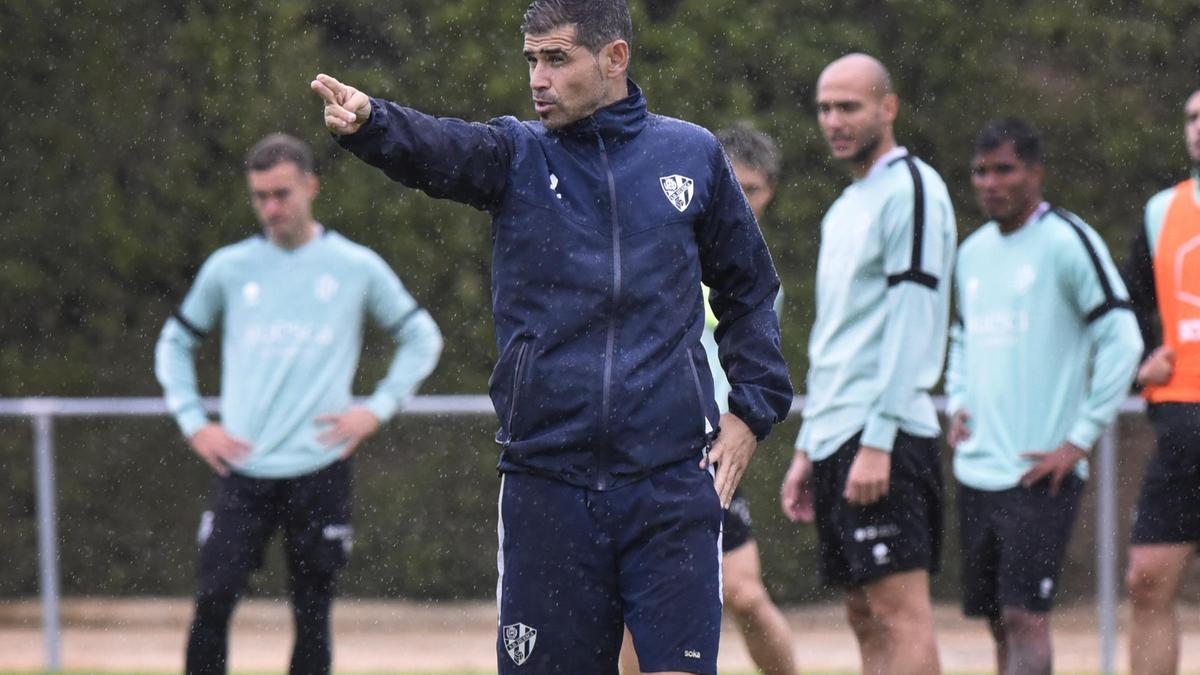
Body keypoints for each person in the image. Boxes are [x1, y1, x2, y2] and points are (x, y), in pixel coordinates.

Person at [311, 1, 793, 673]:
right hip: (548, 482)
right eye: (532, 59)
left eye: (557, 58)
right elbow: (442, 148)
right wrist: (373, 123)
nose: (538, 77)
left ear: (614, 58)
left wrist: (752, 411)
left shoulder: (692, 155)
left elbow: (750, 292)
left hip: (670, 480)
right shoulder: (516, 155)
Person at [154, 133, 443, 675]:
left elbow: (422, 338)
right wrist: (195, 423)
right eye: (260, 195)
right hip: (242, 467)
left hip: (320, 468)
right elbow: (174, 344)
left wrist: (375, 409)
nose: (270, 207)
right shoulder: (228, 269)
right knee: (213, 601)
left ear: (311, 187)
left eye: (281, 193)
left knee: (313, 612)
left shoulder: (355, 267)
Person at [779, 53, 956, 675]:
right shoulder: (844, 207)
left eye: (849, 106)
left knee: (899, 611)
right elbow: (837, 339)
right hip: (837, 434)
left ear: (888, 108)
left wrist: (878, 441)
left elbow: (914, 320)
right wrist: (808, 445)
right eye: (825, 107)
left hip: (886, 434)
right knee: (861, 612)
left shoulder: (913, 189)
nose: (835, 120)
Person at [946, 118, 1142, 674]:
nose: (990, 182)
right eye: (980, 171)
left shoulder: (1067, 240)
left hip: (1038, 473)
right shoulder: (973, 253)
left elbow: (1122, 339)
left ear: (1036, 173)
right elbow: (961, 338)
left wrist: (1078, 440)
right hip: (978, 470)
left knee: (1026, 616)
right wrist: (959, 398)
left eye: (1004, 169)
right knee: (997, 621)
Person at [619, 122, 798, 675]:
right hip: (647, 441)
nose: (742, 201)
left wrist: (740, 420)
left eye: (755, 190)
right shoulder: (663, 250)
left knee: (742, 591)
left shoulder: (755, 278)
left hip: (712, 450)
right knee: (634, 603)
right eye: (732, 186)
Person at [1123, 86, 1200, 675]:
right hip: (1180, 424)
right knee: (1146, 580)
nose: (1199, 127)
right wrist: (1142, 357)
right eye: (1192, 116)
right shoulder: (1159, 211)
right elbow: (1133, 308)